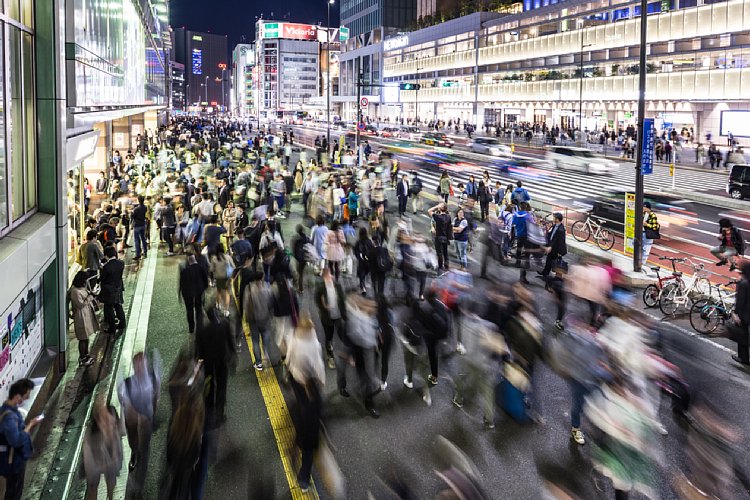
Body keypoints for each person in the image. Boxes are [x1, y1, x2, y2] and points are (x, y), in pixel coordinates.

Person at [286, 316, 324, 493]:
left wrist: (289, 368)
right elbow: (318, 364)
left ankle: (302, 474)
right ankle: (304, 479)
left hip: (296, 379)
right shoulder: (314, 342)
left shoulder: (294, 337)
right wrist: (319, 381)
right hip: (309, 383)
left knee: (300, 409)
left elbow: (289, 358)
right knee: (308, 445)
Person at [118, 352, 160, 473]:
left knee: (145, 441)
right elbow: (125, 402)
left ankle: (143, 457)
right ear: (134, 367)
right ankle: (135, 453)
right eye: (137, 365)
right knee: (133, 438)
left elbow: (156, 395)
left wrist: (152, 414)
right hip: (133, 418)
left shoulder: (152, 378)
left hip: (147, 415)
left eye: (142, 365)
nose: (140, 368)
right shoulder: (129, 384)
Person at [0, 379, 40, 500]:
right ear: (17, 396)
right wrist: (31, 425)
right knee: (14, 492)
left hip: (11, 459)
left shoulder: (7, 410)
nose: (27, 398)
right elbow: (16, 441)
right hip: (13, 462)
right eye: (26, 395)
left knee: (13, 490)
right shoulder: (9, 418)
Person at [195, 306, 235, 424]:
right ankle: (220, 413)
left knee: (210, 385)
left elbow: (200, 349)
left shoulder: (204, 330)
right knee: (222, 386)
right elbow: (230, 341)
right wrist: (233, 355)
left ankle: (210, 408)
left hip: (209, 362)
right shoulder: (225, 324)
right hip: (222, 360)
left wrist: (199, 362)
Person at [83, 404, 123, 500]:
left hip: (109, 457)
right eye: (104, 421)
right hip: (93, 460)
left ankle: (110, 496)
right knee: (92, 486)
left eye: (110, 422)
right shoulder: (91, 438)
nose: (108, 425)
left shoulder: (115, 433)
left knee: (111, 479)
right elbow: (90, 462)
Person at [315, 267, 346, 369]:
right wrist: (323, 307)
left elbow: (343, 299)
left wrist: (344, 313)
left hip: (338, 315)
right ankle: (330, 356)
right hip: (327, 317)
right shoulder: (320, 287)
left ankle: (345, 352)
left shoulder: (337, 285)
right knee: (329, 336)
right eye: (327, 276)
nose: (329, 278)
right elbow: (317, 301)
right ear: (324, 277)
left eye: (330, 275)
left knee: (342, 333)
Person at [69, 271, 97, 367]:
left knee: (86, 337)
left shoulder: (80, 287)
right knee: (83, 338)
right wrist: (90, 297)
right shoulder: (75, 291)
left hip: (86, 314)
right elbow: (80, 304)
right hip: (81, 316)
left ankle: (86, 355)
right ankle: (82, 358)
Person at [179, 246, 209, 334]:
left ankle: (191, 328)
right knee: (199, 309)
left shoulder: (183, 269)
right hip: (198, 291)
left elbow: (181, 283)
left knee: (189, 310)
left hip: (187, 292)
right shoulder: (200, 267)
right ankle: (200, 326)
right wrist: (204, 288)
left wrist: (180, 293)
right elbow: (205, 279)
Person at [99, 246, 126, 334]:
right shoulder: (121, 263)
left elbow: (103, 279)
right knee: (118, 305)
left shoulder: (107, 267)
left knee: (109, 308)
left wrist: (102, 269)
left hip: (109, 291)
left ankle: (112, 328)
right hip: (118, 287)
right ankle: (122, 323)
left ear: (106, 255)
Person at [731, 262, 750, 366]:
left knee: (742, 335)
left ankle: (744, 358)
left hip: (745, 315)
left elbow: (740, 301)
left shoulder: (744, 283)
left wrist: (736, 314)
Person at [539, 212, 567, 278]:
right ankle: (545, 273)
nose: (553, 218)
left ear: (557, 219)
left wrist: (559, 252)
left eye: (554, 217)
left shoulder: (561, 230)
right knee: (549, 260)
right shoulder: (555, 225)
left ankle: (557, 277)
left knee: (556, 262)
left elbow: (561, 242)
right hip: (552, 246)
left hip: (556, 249)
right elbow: (551, 234)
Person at [209, 245, 234, 314]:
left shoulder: (214, 258)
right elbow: (233, 267)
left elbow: (211, 270)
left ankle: (218, 304)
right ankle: (226, 310)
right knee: (226, 293)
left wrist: (211, 280)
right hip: (227, 278)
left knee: (219, 291)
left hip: (218, 278)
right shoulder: (228, 257)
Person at [428, 202, 453, 271]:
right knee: (445, 252)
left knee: (439, 253)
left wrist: (436, 206)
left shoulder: (437, 217)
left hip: (438, 237)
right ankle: (446, 265)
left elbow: (429, 211)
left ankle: (440, 267)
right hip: (445, 237)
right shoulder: (448, 217)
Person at [131, 195, 149, 260]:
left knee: (136, 240)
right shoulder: (145, 207)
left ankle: (138, 254)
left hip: (137, 225)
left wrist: (131, 213)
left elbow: (132, 216)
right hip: (143, 224)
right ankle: (145, 251)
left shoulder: (136, 209)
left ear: (138, 200)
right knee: (143, 238)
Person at [642, 202, 659, 268]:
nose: (643, 208)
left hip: (648, 233)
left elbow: (654, 227)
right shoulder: (644, 213)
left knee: (646, 248)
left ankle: (643, 262)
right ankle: (640, 261)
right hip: (642, 232)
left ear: (646, 207)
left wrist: (646, 225)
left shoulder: (652, 215)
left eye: (643, 207)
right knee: (639, 245)